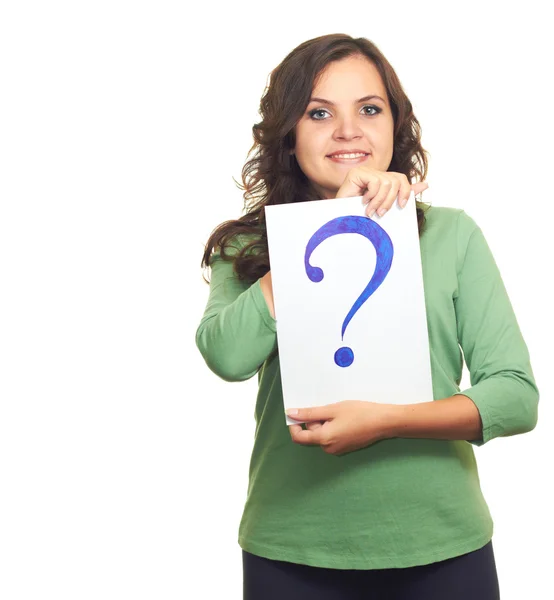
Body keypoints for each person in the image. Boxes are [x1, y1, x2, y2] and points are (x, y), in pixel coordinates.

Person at [195, 34, 539, 600]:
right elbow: (226, 358)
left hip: (442, 544)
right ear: (287, 134)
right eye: (319, 112)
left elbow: (514, 396)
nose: (348, 130)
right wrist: (328, 227)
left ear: (394, 127)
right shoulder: (253, 248)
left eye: (369, 109)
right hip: (292, 547)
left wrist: (388, 420)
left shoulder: (453, 234)